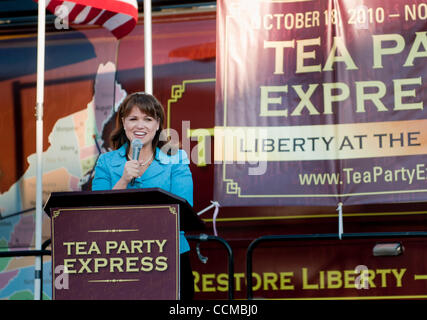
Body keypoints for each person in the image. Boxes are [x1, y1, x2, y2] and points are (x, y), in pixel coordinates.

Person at [92, 91, 194, 300]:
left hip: (168, 256)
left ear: (157, 125)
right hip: (119, 259)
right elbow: (97, 213)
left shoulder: (176, 159)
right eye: (133, 119)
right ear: (123, 123)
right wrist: (123, 180)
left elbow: (184, 210)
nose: (140, 126)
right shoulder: (106, 163)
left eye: (147, 119)